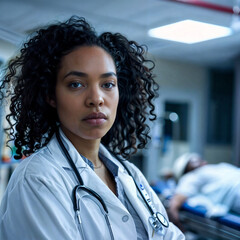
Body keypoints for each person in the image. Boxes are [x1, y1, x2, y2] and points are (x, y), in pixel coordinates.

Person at [0, 16, 185, 240]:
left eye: (108, 84)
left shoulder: (129, 173)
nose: (96, 99)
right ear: (50, 95)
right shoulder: (38, 178)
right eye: (76, 84)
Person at [168, 152, 240, 230]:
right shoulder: (221, 167)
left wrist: (177, 228)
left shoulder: (193, 176)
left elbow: (174, 206)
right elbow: (175, 203)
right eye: (192, 161)